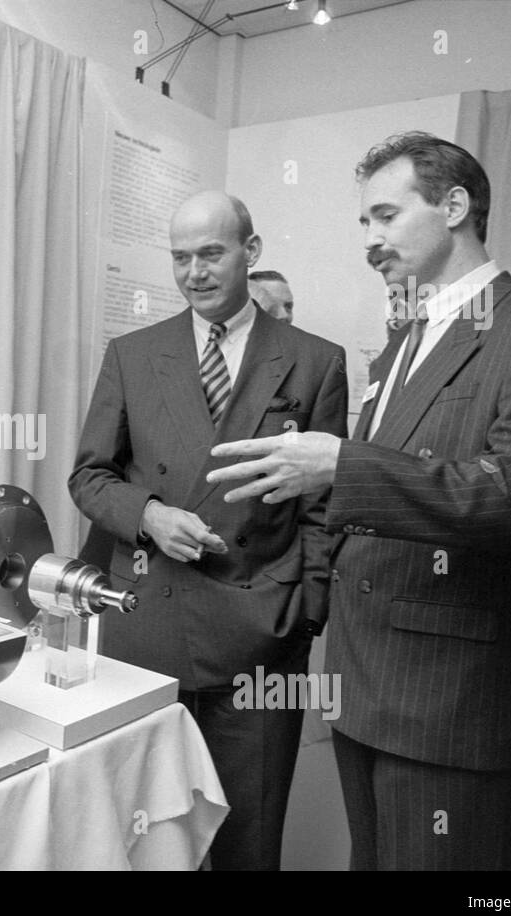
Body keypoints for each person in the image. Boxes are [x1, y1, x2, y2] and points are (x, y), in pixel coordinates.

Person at [205, 132, 511, 870]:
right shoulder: (403, 341)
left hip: (451, 697)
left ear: (455, 206)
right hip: (364, 682)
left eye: (385, 216)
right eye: (364, 221)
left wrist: (342, 465)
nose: (369, 239)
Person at [69, 190, 348, 870]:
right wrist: (151, 517)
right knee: (148, 839)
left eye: (211, 254)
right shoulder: (134, 354)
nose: (194, 272)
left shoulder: (315, 361)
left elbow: (325, 510)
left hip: (260, 640)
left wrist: (302, 615)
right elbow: (89, 477)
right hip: (147, 632)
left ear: (250, 253)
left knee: (249, 843)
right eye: (180, 258)